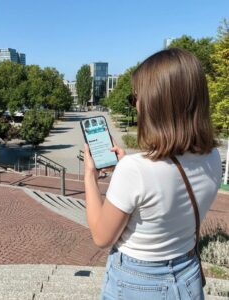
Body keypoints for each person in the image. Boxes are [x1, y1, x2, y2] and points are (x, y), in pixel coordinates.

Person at [83, 48, 222, 300]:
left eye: (135, 97)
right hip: (188, 275)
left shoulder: (136, 170)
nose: (135, 104)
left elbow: (101, 237)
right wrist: (128, 168)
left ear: (154, 102)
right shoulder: (213, 157)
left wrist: (89, 177)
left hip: (137, 283)